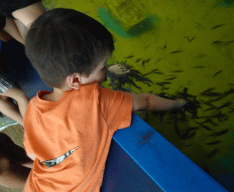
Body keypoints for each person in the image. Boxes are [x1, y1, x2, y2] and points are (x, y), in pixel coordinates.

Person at [1, 8, 188, 191]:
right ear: (74, 80)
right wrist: (178, 105)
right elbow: (147, 101)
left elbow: (32, 153)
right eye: (103, 67)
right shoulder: (95, 100)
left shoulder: (34, 107)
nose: (106, 73)